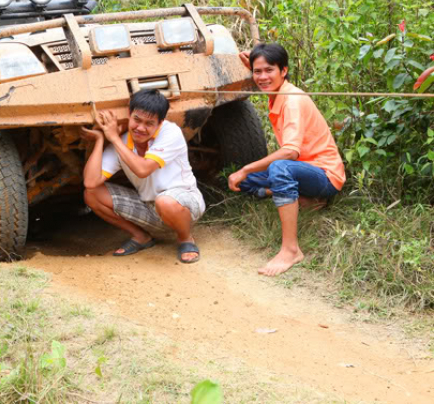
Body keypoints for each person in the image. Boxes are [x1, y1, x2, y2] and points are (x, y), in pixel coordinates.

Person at [227, 43, 346, 276]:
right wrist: (254, 63)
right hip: (302, 169)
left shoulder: (291, 100)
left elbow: (291, 152)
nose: (262, 77)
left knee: (279, 167)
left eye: (269, 70)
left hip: (325, 175)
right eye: (257, 71)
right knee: (245, 181)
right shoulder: (276, 91)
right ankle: (305, 199)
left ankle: (291, 250)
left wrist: (245, 168)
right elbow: (263, 75)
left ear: (284, 71)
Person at [82, 89, 206, 263]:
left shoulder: (171, 133)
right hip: (150, 207)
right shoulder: (123, 141)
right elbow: (90, 182)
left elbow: (143, 169)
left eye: (149, 123)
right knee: (91, 194)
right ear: (129, 114)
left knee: (165, 201)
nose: (140, 128)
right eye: (137, 120)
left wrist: (114, 138)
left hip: (184, 204)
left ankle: (185, 239)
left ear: (160, 122)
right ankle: (141, 237)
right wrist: (100, 140)